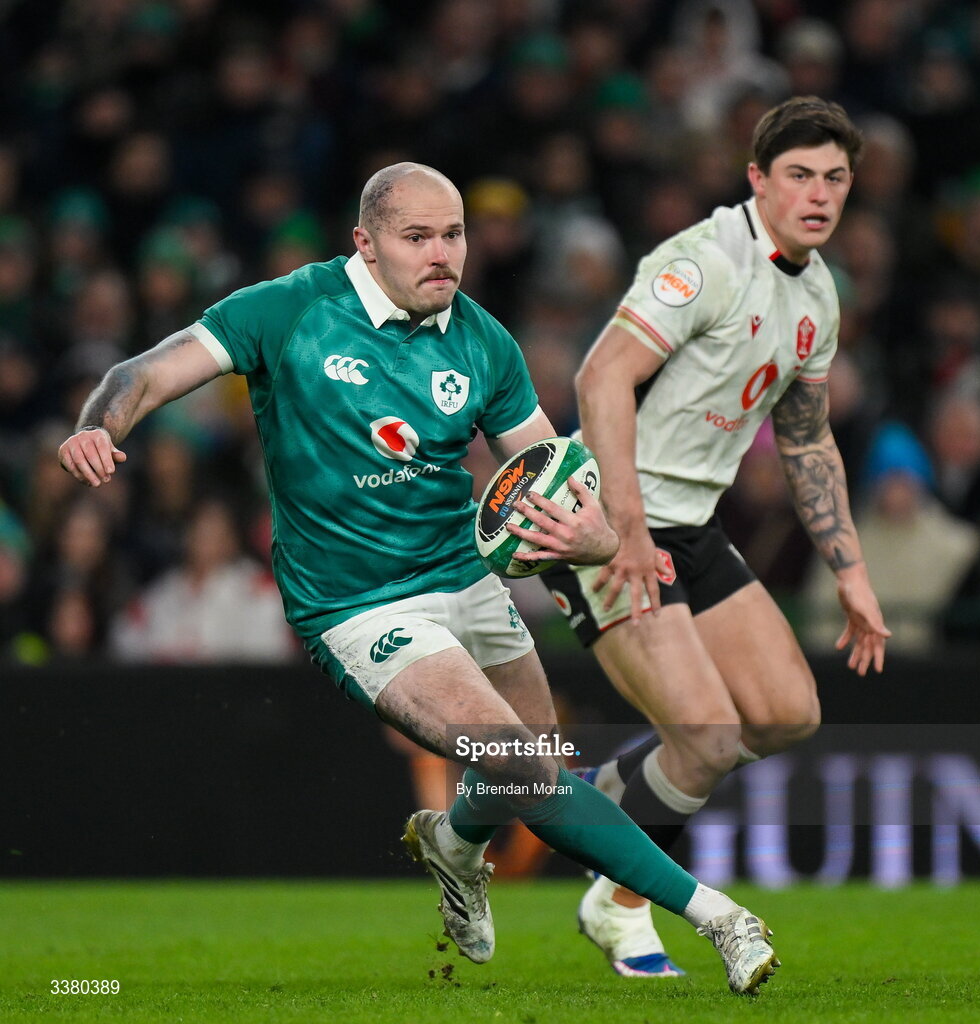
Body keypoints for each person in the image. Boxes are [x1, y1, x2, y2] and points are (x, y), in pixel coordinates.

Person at [58, 163, 779, 994]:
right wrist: (98, 426)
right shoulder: (288, 310)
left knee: (525, 765)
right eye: (417, 237)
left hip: (464, 577)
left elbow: (549, 474)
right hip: (356, 605)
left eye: (453, 234)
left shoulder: (482, 339)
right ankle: (720, 917)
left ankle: (454, 842)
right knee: (523, 765)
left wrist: (593, 536)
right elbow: (145, 372)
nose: (442, 254)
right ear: (364, 244)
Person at [539, 97, 890, 978]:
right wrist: (622, 529)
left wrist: (849, 570)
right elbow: (600, 377)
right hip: (603, 519)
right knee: (707, 739)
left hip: (689, 523)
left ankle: (607, 799)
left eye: (834, 178)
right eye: (799, 175)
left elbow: (804, 437)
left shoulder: (817, 293)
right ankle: (617, 905)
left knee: (784, 713)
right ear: (757, 180)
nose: (818, 194)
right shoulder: (703, 261)